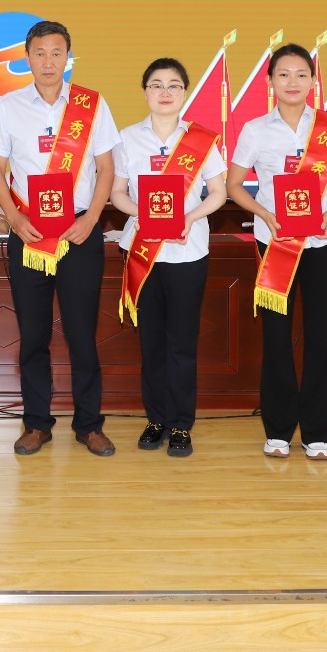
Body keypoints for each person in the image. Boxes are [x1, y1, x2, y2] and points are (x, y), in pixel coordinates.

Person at [0, 21, 119, 457]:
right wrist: (13, 218)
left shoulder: (91, 104)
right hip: (29, 232)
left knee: (82, 335)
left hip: (80, 232)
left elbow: (106, 168)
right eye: (40, 53)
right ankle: (37, 424)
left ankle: (89, 425)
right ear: (27, 58)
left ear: (68, 57)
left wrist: (92, 218)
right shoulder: (8, 106)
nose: (48, 61)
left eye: (56, 53)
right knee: (33, 335)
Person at [226, 43, 327, 460]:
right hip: (276, 244)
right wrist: (265, 214)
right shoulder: (254, 129)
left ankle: (317, 432)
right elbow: (233, 186)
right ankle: (279, 429)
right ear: (270, 81)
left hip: (325, 243)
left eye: (301, 74)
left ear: (313, 81)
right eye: (283, 74)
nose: (292, 82)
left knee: (321, 336)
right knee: (276, 337)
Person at [109, 58, 227, 458]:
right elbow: (117, 193)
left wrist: (188, 217)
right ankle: (156, 419)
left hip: (187, 252)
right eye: (156, 85)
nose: (165, 92)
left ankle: (180, 424)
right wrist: (142, 215)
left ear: (184, 93)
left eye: (174, 85)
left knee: (182, 342)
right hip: (143, 251)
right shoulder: (127, 138)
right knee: (151, 342)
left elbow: (219, 193)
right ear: (145, 91)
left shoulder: (202, 139)